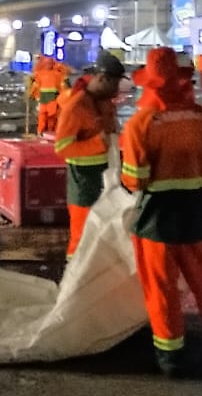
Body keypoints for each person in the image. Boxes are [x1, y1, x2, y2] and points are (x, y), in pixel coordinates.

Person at [120, 48, 202, 378]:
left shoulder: (141, 123)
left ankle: (171, 357)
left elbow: (134, 179)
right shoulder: (199, 117)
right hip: (195, 213)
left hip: (157, 219)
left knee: (162, 289)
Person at [54, 52, 125, 259]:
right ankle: (74, 274)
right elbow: (62, 148)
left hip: (105, 177)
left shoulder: (104, 102)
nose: (117, 89)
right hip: (83, 181)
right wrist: (98, 143)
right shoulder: (76, 107)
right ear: (102, 79)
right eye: (115, 83)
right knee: (82, 237)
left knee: (103, 234)